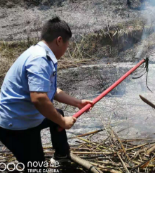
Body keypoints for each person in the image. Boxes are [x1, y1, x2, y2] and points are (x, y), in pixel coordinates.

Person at [0, 17, 93, 172]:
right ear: (59, 40)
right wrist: (63, 122)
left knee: (57, 115)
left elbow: (51, 90)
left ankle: (61, 155)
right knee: (37, 168)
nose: (66, 48)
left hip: (26, 117)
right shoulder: (39, 59)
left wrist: (78, 103)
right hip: (17, 125)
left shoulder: (41, 54)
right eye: (67, 44)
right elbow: (39, 99)